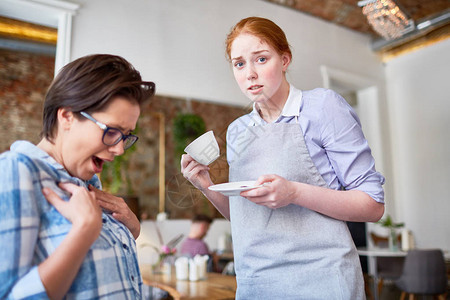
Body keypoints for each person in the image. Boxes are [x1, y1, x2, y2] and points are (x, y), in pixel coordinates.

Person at [181, 17, 385, 299]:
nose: (250, 73)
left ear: (285, 59)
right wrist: (205, 183)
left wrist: (293, 192)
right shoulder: (238, 130)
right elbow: (245, 217)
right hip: (256, 284)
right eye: (239, 63)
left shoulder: (322, 107)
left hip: (321, 281)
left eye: (261, 59)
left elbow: (372, 205)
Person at [0, 54, 155, 299]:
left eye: (125, 136)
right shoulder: (16, 171)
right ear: (67, 116)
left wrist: (131, 230)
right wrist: (84, 231)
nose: (119, 149)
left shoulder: (87, 181)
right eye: (112, 131)